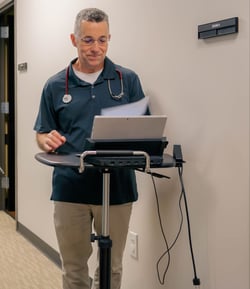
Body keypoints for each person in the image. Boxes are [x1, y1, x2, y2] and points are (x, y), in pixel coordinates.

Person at [34, 7, 146, 289]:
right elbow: (42, 131)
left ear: (109, 38)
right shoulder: (56, 85)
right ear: (74, 39)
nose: (95, 48)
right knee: (73, 269)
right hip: (71, 188)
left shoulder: (126, 80)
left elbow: (145, 131)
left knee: (112, 267)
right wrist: (45, 140)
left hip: (118, 187)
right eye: (87, 40)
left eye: (102, 40)